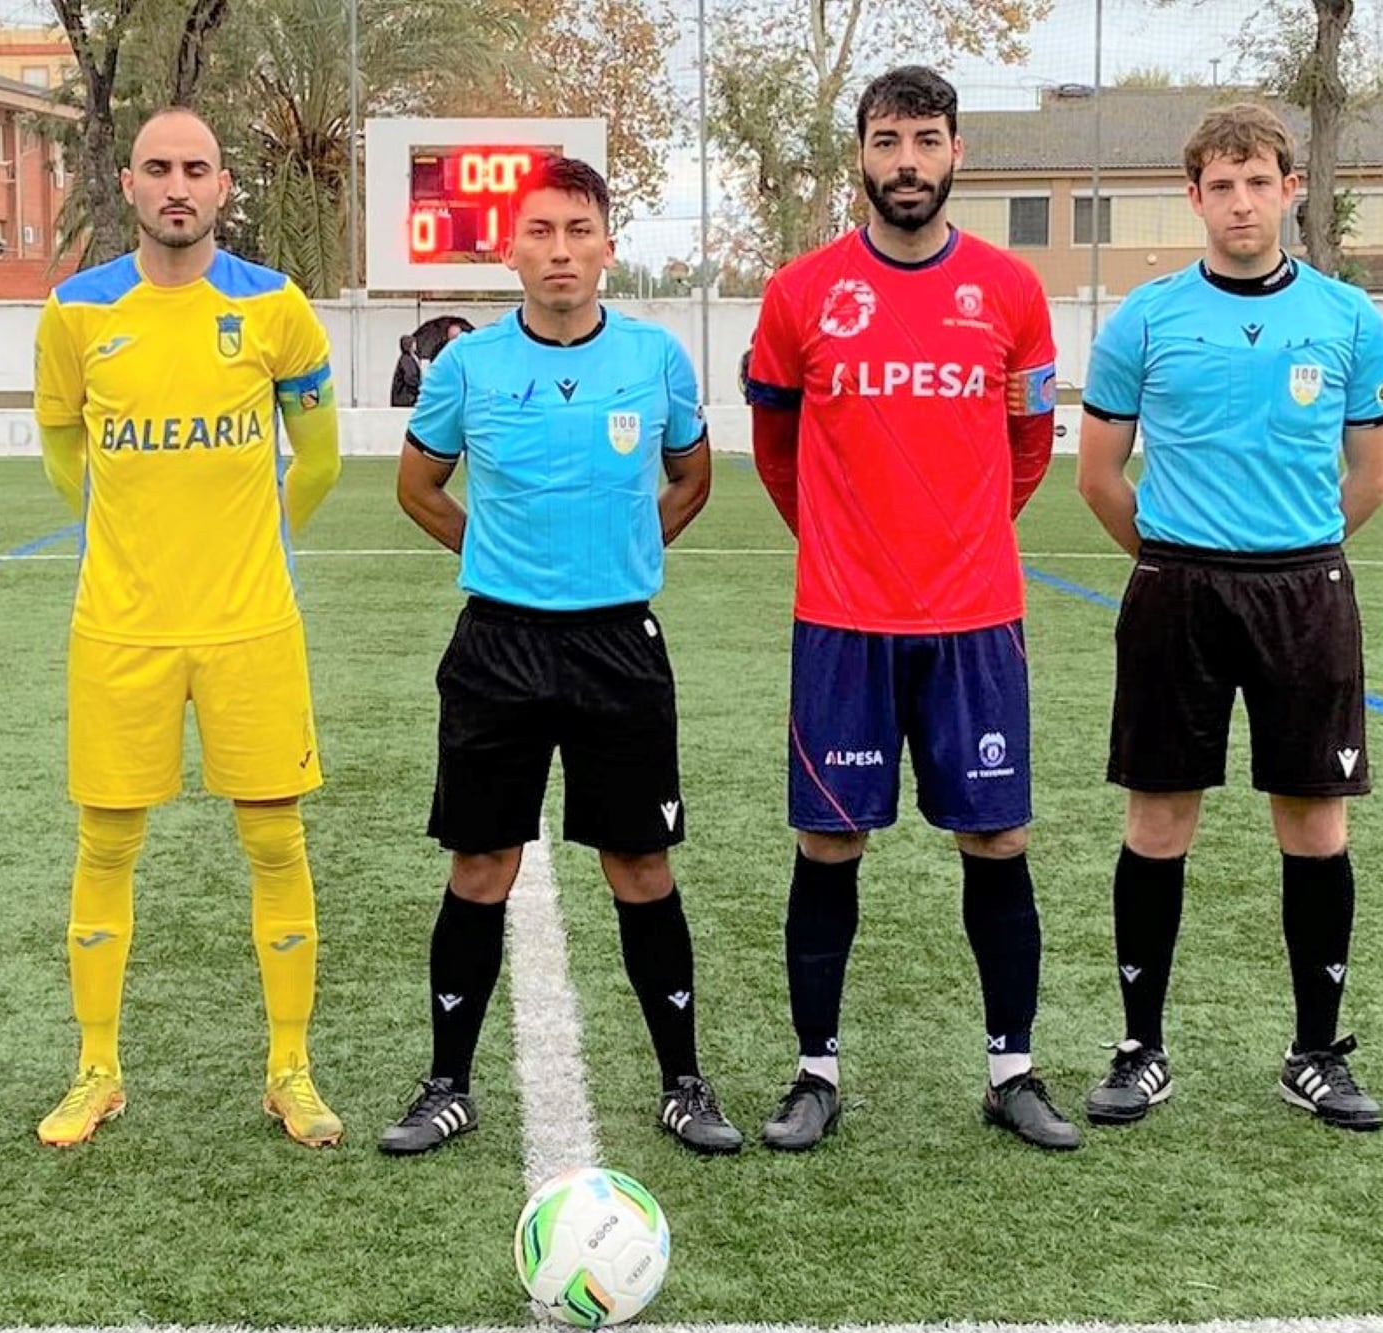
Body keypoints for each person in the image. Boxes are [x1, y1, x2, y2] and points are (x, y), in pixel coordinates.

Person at [745, 66, 1079, 1152]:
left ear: (956, 154)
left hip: (974, 615)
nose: (907, 162)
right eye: (887, 141)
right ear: (861, 154)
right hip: (844, 617)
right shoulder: (802, 293)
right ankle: (815, 1072)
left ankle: (1013, 1069)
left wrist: (965, 532)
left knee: (996, 833)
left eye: (926, 140)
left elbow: (1029, 445)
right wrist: (847, 542)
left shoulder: (1013, 294)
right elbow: (778, 451)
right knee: (830, 842)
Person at [383, 155, 741, 1157]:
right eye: (540, 231)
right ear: (513, 249)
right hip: (496, 643)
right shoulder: (466, 366)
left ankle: (684, 1079)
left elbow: (691, 475)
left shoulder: (655, 359)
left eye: (579, 231)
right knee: (482, 860)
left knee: (639, 860)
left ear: (608, 248)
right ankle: (447, 1082)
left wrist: (619, 557)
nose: (560, 251)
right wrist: (496, 555)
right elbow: (418, 488)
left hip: (617, 643)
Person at [1077, 103, 1383, 1132]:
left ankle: (1315, 1050)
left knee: (1314, 819)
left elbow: (1372, 473)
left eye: (1260, 181)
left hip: (1307, 591)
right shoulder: (1145, 317)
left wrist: (1287, 545)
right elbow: (1098, 473)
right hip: (1177, 590)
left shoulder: (1350, 318)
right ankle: (1141, 1045)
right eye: (1222, 184)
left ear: (1292, 188)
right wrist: (1180, 557)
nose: (1242, 201)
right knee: (1159, 819)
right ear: (1195, 197)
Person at [32, 108, 345, 1148]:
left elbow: (322, 457)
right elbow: (63, 449)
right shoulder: (77, 312)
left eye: (197, 169)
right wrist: (127, 544)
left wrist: (256, 544)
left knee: (274, 835)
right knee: (107, 839)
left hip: (252, 623)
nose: (178, 185)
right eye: (159, 168)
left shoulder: (276, 307)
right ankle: (95, 1067)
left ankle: (290, 1069)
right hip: (120, 628)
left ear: (223, 187)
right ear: (128, 183)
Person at [391, 332, 422, 407]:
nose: (416, 345)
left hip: (404, 397)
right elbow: (410, 377)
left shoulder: (407, 358)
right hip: (406, 398)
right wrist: (419, 388)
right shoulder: (407, 359)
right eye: (414, 343)